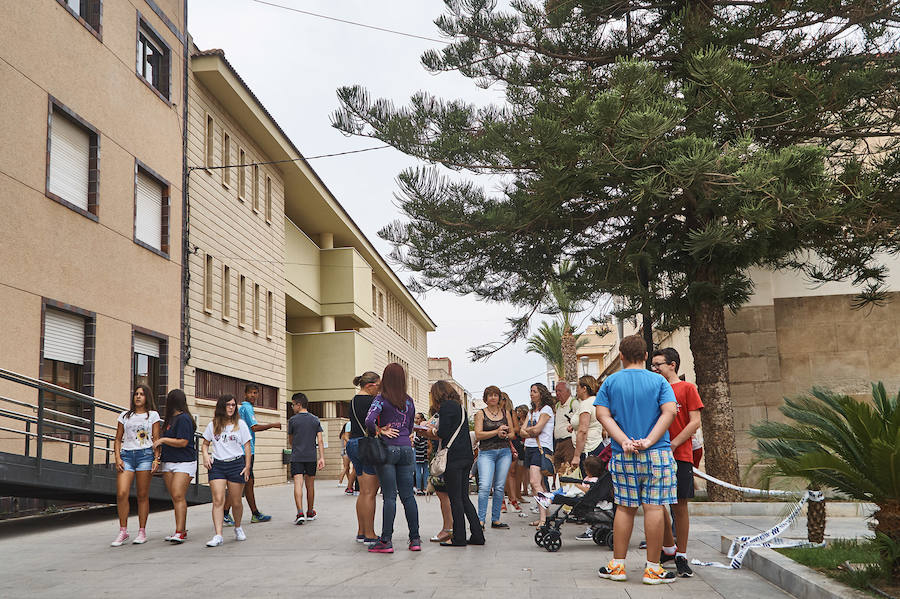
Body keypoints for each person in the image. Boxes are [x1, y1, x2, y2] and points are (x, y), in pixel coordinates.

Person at [595, 335, 678, 585]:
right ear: (645, 356)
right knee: (654, 508)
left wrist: (623, 441)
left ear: (620, 356)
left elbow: (602, 415)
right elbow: (670, 412)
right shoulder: (659, 381)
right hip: (657, 453)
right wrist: (650, 440)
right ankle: (653, 569)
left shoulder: (610, 382)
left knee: (625, 508)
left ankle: (618, 566)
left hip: (624, 454)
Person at [651, 348, 703, 578]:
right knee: (656, 502)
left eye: (658, 364)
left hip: (679, 455)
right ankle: (668, 548)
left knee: (680, 506)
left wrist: (674, 444)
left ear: (672, 365)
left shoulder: (687, 388)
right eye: (652, 365)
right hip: (656, 455)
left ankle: (681, 554)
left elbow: (695, 422)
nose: (655, 369)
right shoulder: (655, 391)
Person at [365, 363, 420, 553]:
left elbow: (369, 420)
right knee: (408, 496)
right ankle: (415, 540)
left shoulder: (381, 399)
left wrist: (380, 431)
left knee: (389, 497)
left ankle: (386, 540)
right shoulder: (409, 401)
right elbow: (411, 425)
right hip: (406, 448)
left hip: (388, 449)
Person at [427, 380, 484, 547]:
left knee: (455, 499)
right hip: (466, 456)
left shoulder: (445, 408)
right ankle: (477, 535)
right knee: (464, 498)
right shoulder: (460, 407)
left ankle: (459, 537)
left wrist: (431, 431)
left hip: (452, 458)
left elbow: (443, 432)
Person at [222, 383, 281, 526]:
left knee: (248, 483)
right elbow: (254, 428)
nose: (254, 396)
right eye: (251, 393)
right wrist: (273, 425)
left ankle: (254, 513)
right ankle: (225, 512)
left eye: (256, 393)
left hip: (245, 451)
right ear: (245, 394)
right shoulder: (247, 408)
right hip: (245, 452)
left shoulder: (244, 408)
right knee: (239, 484)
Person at [110, 384, 161, 546]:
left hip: (145, 455)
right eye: (136, 394)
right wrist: (117, 457)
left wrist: (156, 459)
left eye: (142, 394)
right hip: (127, 456)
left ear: (147, 397)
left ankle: (142, 531)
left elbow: (156, 439)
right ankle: (123, 531)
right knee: (122, 493)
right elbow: (118, 439)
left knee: (142, 494)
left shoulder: (152, 415)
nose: (138, 396)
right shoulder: (124, 416)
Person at [202, 394, 252, 547]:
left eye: (233, 405)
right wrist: (205, 456)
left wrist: (247, 466)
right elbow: (205, 444)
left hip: (236, 464)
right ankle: (218, 535)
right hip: (217, 466)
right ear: (222, 406)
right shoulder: (213, 425)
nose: (231, 407)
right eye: (228, 405)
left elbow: (247, 446)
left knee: (236, 502)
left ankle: (237, 526)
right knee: (218, 500)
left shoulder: (240, 424)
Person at [156, 389, 196, 544]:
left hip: (184, 462)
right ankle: (181, 530)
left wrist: (163, 440)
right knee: (175, 497)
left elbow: (183, 442)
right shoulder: (169, 420)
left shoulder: (184, 419)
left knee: (178, 495)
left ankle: (180, 531)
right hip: (168, 462)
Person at [569, 374, 607, 541]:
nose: (576, 390)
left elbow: (583, 430)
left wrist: (576, 456)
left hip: (588, 449)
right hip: (597, 445)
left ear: (584, 388)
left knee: (590, 489)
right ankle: (599, 524)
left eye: (578, 386)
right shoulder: (596, 402)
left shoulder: (585, 404)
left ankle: (593, 525)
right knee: (597, 487)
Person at [345, 371, 381, 543]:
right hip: (367, 445)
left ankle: (361, 531)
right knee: (370, 492)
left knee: (362, 492)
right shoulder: (372, 401)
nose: (379, 390)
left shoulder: (353, 400)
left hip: (352, 444)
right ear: (369, 385)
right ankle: (370, 534)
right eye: (378, 386)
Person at [473, 385, 514, 529]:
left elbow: (513, 434)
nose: (493, 397)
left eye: (495, 395)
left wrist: (505, 434)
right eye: (490, 395)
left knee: (499, 486)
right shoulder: (480, 413)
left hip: (504, 451)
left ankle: (496, 519)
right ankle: (480, 520)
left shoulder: (505, 412)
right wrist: (496, 431)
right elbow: (478, 435)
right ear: (485, 398)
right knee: (484, 486)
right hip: (486, 452)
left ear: (499, 397)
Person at [285, 392, 326, 524]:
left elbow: (290, 440)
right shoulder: (315, 419)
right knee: (310, 485)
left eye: (293, 404)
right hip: (311, 457)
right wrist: (322, 457)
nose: (292, 407)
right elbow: (320, 440)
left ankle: (300, 512)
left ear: (299, 404)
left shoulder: (292, 420)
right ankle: (310, 511)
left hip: (297, 456)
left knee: (298, 484)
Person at [520, 383, 554, 527]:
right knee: (537, 485)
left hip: (541, 449)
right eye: (531, 391)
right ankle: (545, 515)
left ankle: (543, 519)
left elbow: (538, 429)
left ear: (541, 393)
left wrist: (529, 430)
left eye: (534, 391)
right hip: (530, 448)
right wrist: (530, 430)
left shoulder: (546, 410)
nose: (531, 394)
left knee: (535, 482)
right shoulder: (532, 411)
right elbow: (521, 431)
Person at [502, 393, 524, 514]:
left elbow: (516, 429)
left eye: (503, 398)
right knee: (501, 474)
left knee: (512, 472)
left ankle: (513, 498)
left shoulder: (511, 412)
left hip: (511, 443)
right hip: (498, 443)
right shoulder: (492, 413)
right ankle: (503, 500)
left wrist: (506, 430)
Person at [553, 380, 577, 479]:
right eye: (556, 391)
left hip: (569, 442)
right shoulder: (557, 405)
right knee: (560, 470)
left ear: (568, 391)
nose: (557, 393)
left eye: (560, 391)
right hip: (558, 443)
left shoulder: (573, 403)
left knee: (569, 470)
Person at [514, 404, 531, 500]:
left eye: (520, 411)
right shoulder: (516, 421)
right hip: (519, 446)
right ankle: (519, 492)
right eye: (517, 411)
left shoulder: (528, 421)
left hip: (526, 445)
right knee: (519, 470)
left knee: (526, 471)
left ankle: (525, 489)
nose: (518, 413)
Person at [413, 413, 429, 495]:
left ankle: (419, 488)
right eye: (415, 418)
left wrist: (413, 443)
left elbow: (416, 441)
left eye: (418, 418)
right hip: (425, 451)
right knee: (426, 469)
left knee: (418, 470)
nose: (416, 420)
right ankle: (426, 488)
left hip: (419, 451)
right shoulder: (427, 427)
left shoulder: (418, 429)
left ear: (422, 419)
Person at [338, 420, 355, 493]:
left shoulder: (341, 435)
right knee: (346, 467)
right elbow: (345, 444)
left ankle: (349, 482)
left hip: (343, 451)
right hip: (345, 451)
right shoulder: (345, 435)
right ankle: (340, 482)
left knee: (347, 468)